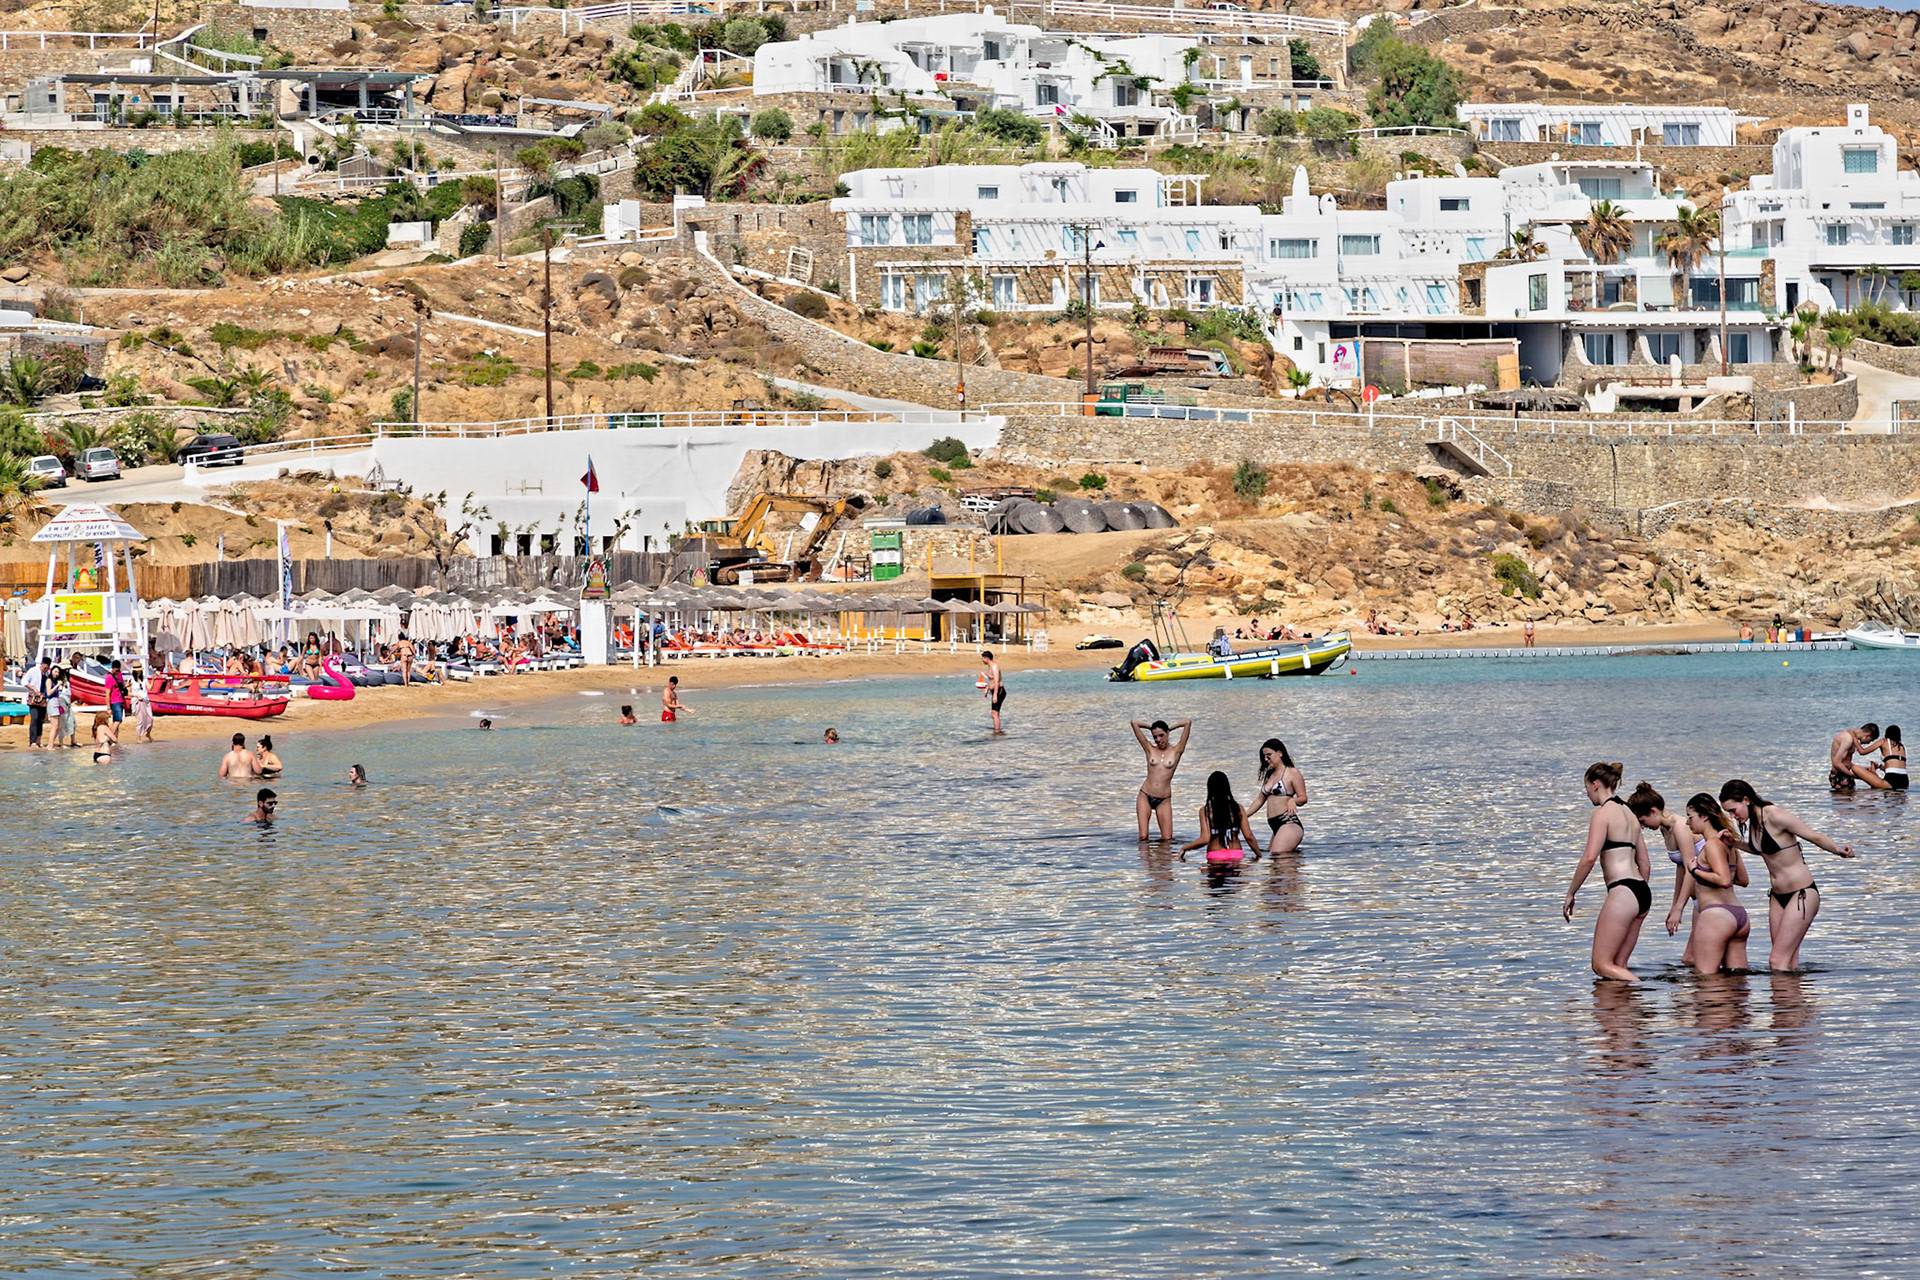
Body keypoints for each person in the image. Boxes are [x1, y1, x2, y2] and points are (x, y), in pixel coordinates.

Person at [1719, 778, 1856, 971]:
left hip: (1801, 894)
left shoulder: (1775, 815)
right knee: (1788, 963)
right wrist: (1733, 842)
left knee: (1777, 962)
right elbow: (1760, 849)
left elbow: (1813, 835)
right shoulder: (1753, 822)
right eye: (1728, 813)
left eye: (1733, 810)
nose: (1733, 816)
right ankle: (1790, 1001)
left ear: (1746, 800)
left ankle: (1783, 1000)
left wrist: (1838, 850)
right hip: (1777, 897)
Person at [1561, 761, 1652, 982]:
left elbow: (1589, 858)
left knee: (1601, 965)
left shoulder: (1602, 814)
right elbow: (1645, 864)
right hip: (1641, 891)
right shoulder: (1630, 814)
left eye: (1585, 789)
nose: (1587, 795)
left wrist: (1571, 892)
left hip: (1623, 891)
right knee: (1618, 966)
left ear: (1594, 785)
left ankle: (1645, 996)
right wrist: (1637, 897)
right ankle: (1627, 1014)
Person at [1669, 794, 1751, 974]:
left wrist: (1694, 870)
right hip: (1739, 916)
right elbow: (1743, 880)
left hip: (1717, 916)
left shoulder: (1712, 844)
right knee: (1736, 982)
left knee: (1707, 982)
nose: (1688, 823)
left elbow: (1723, 880)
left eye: (1690, 817)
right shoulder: (1728, 844)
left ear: (1704, 816)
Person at [1627, 780, 1704, 967]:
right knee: (1693, 960)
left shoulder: (1680, 827)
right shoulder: (1664, 828)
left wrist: (1679, 909)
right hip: (1697, 897)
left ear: (1654, 811)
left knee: (1691, 959)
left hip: (1708, 896)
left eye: (1642, 821)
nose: (1642, 827)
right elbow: (1680, 867)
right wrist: (1674, 905)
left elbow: (1690, 870)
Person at [1178, 770, 1262, 866]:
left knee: (1206, 874)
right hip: (1236, 854)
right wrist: (1259, 855)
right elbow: (1249, 836)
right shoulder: (1238, 808)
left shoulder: (1205, 811)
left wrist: (1185, 848)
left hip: (1215, 855)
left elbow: (1205, 839)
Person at [1131, 717, 1193, 840]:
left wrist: (1170, 727)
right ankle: (1145, 858)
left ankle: (1163, 859)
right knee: (1143, 836)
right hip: (1145, 795)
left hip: (1164, 799)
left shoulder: (1177, 750)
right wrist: (1152, 727)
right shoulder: (1150, 749)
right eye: (1155, 737)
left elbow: (1187, 723)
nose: (1158, 739)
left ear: (1167, 734)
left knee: (1167, 838)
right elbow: (1134, 723)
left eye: (1161, 735)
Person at [1252, 738, 1308, 856]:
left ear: (1280, 753)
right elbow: (1259, 800)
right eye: (1264, 757)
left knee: (1278, 856)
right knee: (1273, 865)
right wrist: (1243, 816)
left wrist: (1294, 800)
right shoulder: (1269, 775)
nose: (1266, 759)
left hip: (1288, 823)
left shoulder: (1292, 773)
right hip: (1275, 825)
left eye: (1269, 755)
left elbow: (1303, 798)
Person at [1829, 722, 1887, 791]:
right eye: (1870, 741)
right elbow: (1836, 763)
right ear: (1867, 735)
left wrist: (1867, 769)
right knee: (1844, 800)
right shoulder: (1848, 739)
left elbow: (1846, 763)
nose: (1868, 743)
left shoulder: (1852, 737)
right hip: (1839, 776)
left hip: (1844, 774)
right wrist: (1852, 775)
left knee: (1850, 799)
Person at [1863, 724, 1907, 790]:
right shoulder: (1901, 747)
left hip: (1891, 780)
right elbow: (1895, 769)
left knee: (1855, 768)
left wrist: (1854, 739)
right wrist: (1880, 766)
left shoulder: (1884, 741)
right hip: (1905, 780)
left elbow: (1863, 752)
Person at [23, 655, 51, 749]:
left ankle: (38, 740)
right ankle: (32, 741)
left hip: (43, 700)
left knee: (41, 720)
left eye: (47, 668)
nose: (45, 669)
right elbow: (24, 681)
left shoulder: (47, 674)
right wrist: (34, 688)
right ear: (42, 664)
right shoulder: (33, 671)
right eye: (44, 667)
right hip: (34, 699)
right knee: (34, 718)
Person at [105, 659, 130, 742]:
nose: (117, 672)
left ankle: (115, 740)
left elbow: (122, 685)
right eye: (116, 670)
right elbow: (107, 694)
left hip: (120, 699)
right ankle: (110, 738)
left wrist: (127, 686)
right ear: (112, 668)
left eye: (118, 670)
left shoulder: (119, 674)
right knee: (117, 720)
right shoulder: (109, 678)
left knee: (117, 722)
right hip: (114, 701)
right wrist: (108, 708)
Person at [52, 667, 77, 747]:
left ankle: (73, 740)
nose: (67, 670)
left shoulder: (67, 678)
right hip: (61, 701)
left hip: (67, 701)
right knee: (63, 722)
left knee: (72, 721)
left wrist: (69, 702)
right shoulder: (57, 680)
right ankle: (61, 742)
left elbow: (68, 692)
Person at [980, 650, 1005, 734]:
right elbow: (992, 680)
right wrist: (987, 688)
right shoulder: (990, 666)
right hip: (995, 691)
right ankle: (997, 730)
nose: (982, 660)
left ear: (986, 658)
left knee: (994, 713)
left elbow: (997, 681)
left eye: (983, 658)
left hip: (999, 691)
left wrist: (995, 695)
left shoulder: (994, 667)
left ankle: (997, 732)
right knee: (994, 713)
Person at [130, 664, 153, 743]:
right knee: (140, 720)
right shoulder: (131, 680)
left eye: (140, 670)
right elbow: (128, 692)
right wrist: (136, 695)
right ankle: (138, 737)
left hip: (146, 700)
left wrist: (153, 680)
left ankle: (148, 734)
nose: (139, 672)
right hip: (137, 701)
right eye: (137, 671)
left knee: (150, 719)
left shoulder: (144, 679)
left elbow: (150, 688)